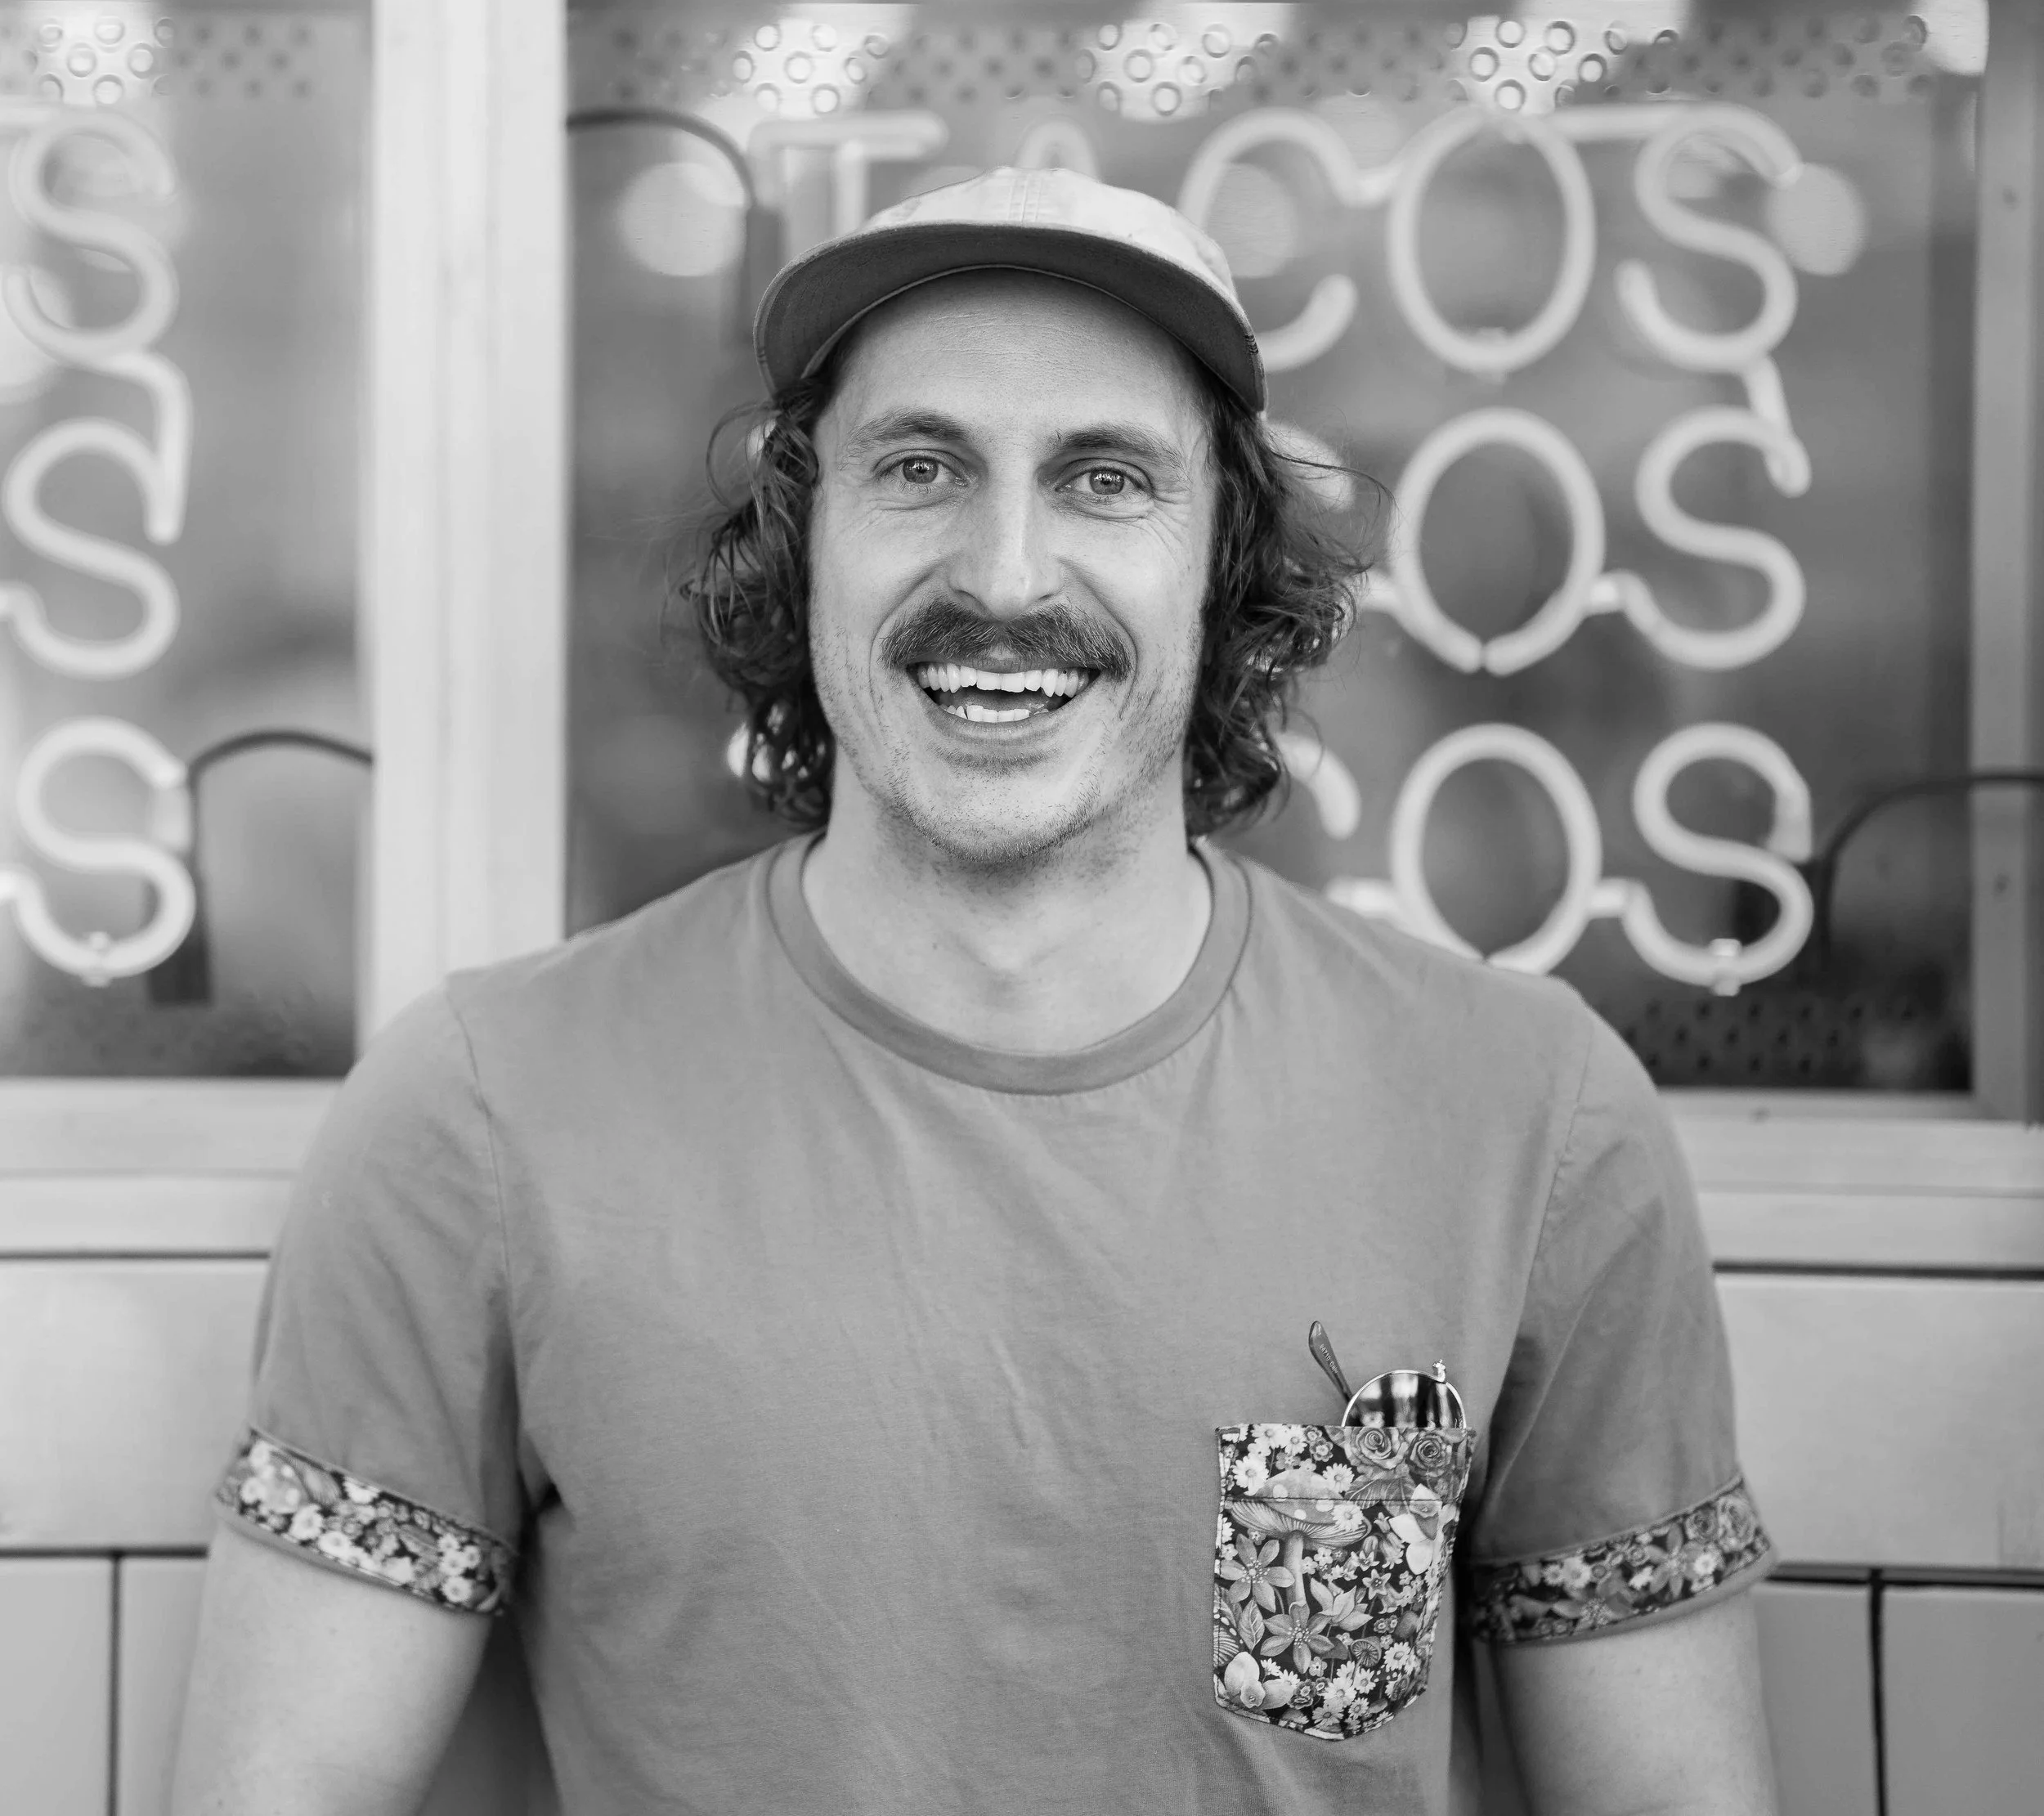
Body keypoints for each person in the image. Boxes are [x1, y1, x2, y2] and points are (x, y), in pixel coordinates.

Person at [173, 167, 1778, 1815]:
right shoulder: (483, 1111)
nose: (1004, 570)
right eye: (920, 467)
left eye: (1103, 478)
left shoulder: (1522, 1116)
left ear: (1221, 560)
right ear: (801, 548)